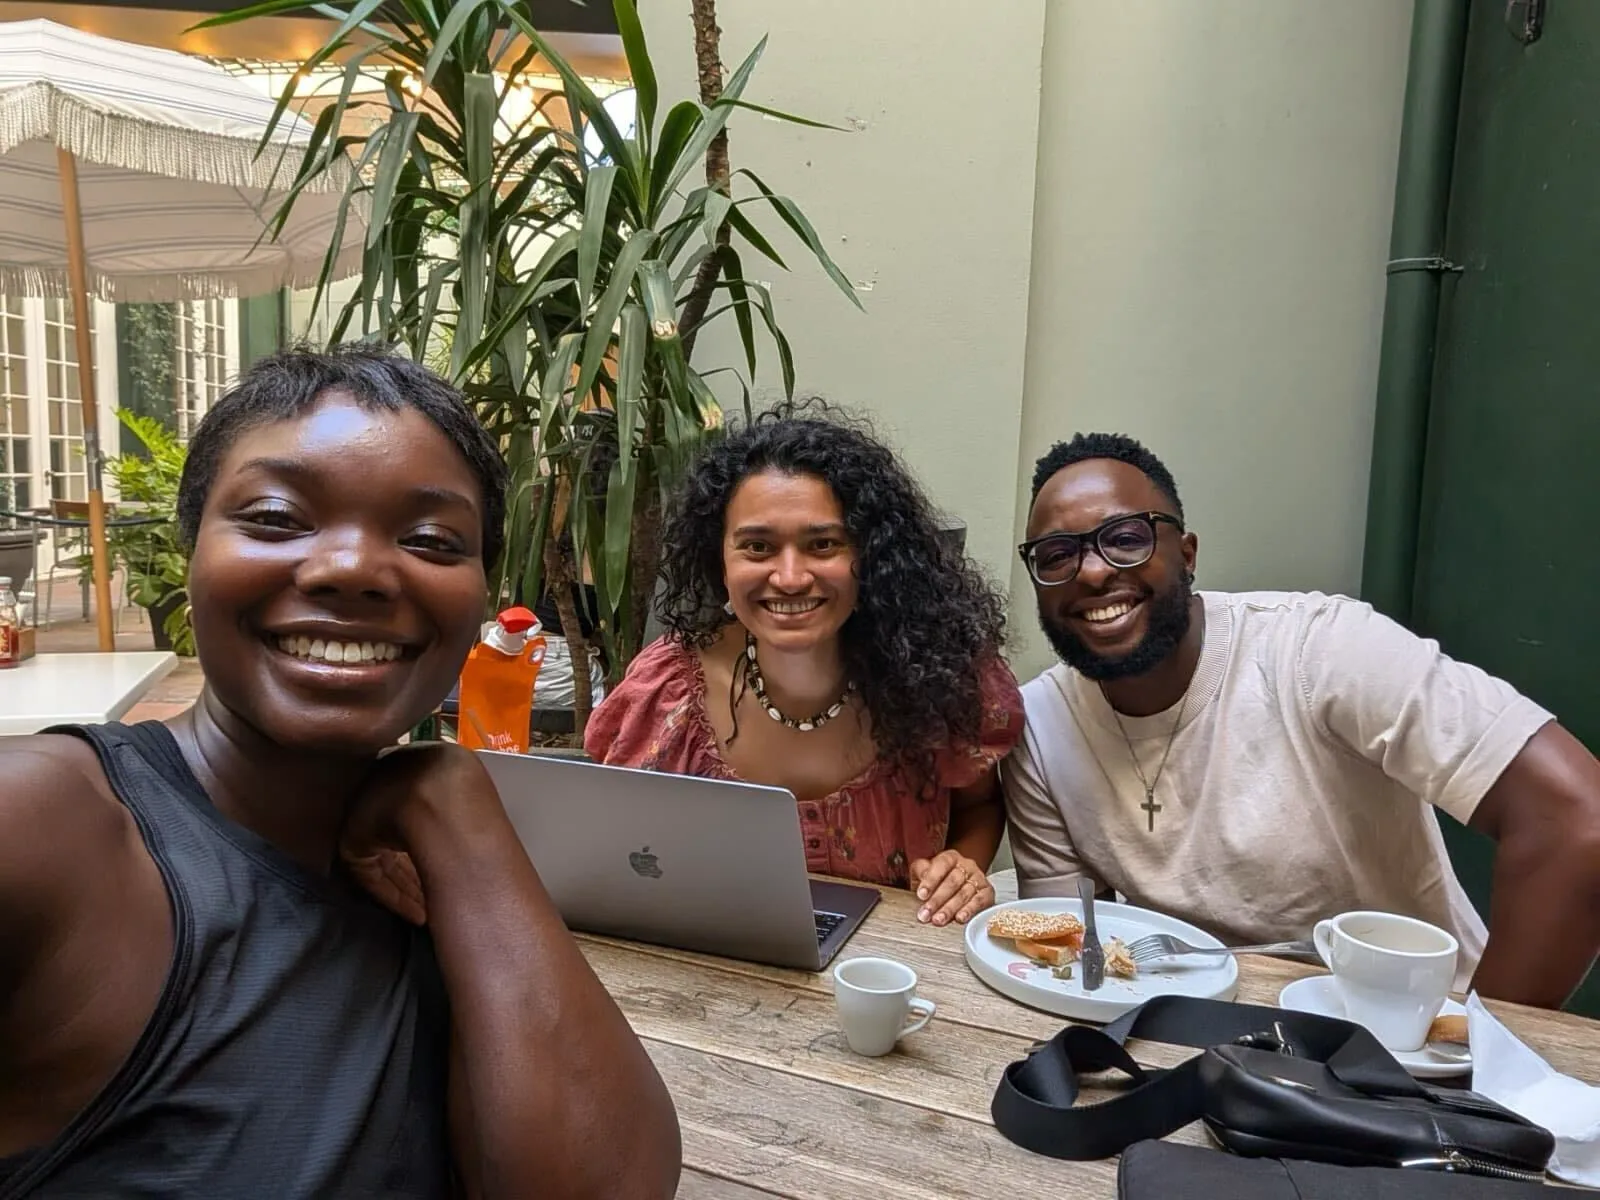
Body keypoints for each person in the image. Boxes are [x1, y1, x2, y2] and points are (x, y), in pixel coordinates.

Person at [0, 347, 680, 1198]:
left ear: (480, 595)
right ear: (190, 552)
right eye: (279, 518)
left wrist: (453, 802)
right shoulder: (39, 823)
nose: (354, 569)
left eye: (431, 539)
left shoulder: (443, 871)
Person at [1003, 431, 1600, 1009]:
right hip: (1192, 1040)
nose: (1091, 571)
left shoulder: (1320, 650)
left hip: (1408, 1045)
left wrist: (1486, 1056)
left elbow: (1578, 821)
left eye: (1126, 538)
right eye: (1057, 554)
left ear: (1186, 554)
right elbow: (1071, 950)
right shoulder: (1039, 730)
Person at [585, 402, 1023, 927]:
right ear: (717, 559)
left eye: (822, 544)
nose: (790, 577)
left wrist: (964, 866)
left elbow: (979, 806)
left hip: (891, 978)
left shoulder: (936, 675)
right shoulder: (668, 690)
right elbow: (620, 846)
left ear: (872, 555)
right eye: (757, 547)